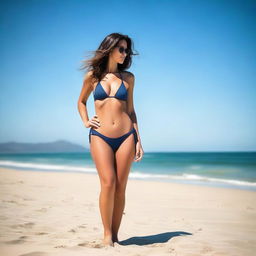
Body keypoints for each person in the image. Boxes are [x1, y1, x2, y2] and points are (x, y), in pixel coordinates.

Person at [77, 32, 144, 247]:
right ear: (110, 49)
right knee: (108, 183)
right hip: (100, 136)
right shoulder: (92, 77)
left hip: (126, 136)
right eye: (121, 49)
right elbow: (81, 101)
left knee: (121, 187)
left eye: (127, 50)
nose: (125, 54)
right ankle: (107, 235)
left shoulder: (129, 78)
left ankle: (116, 235)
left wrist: (138, 140)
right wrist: (86, 121)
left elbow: (132, 111)